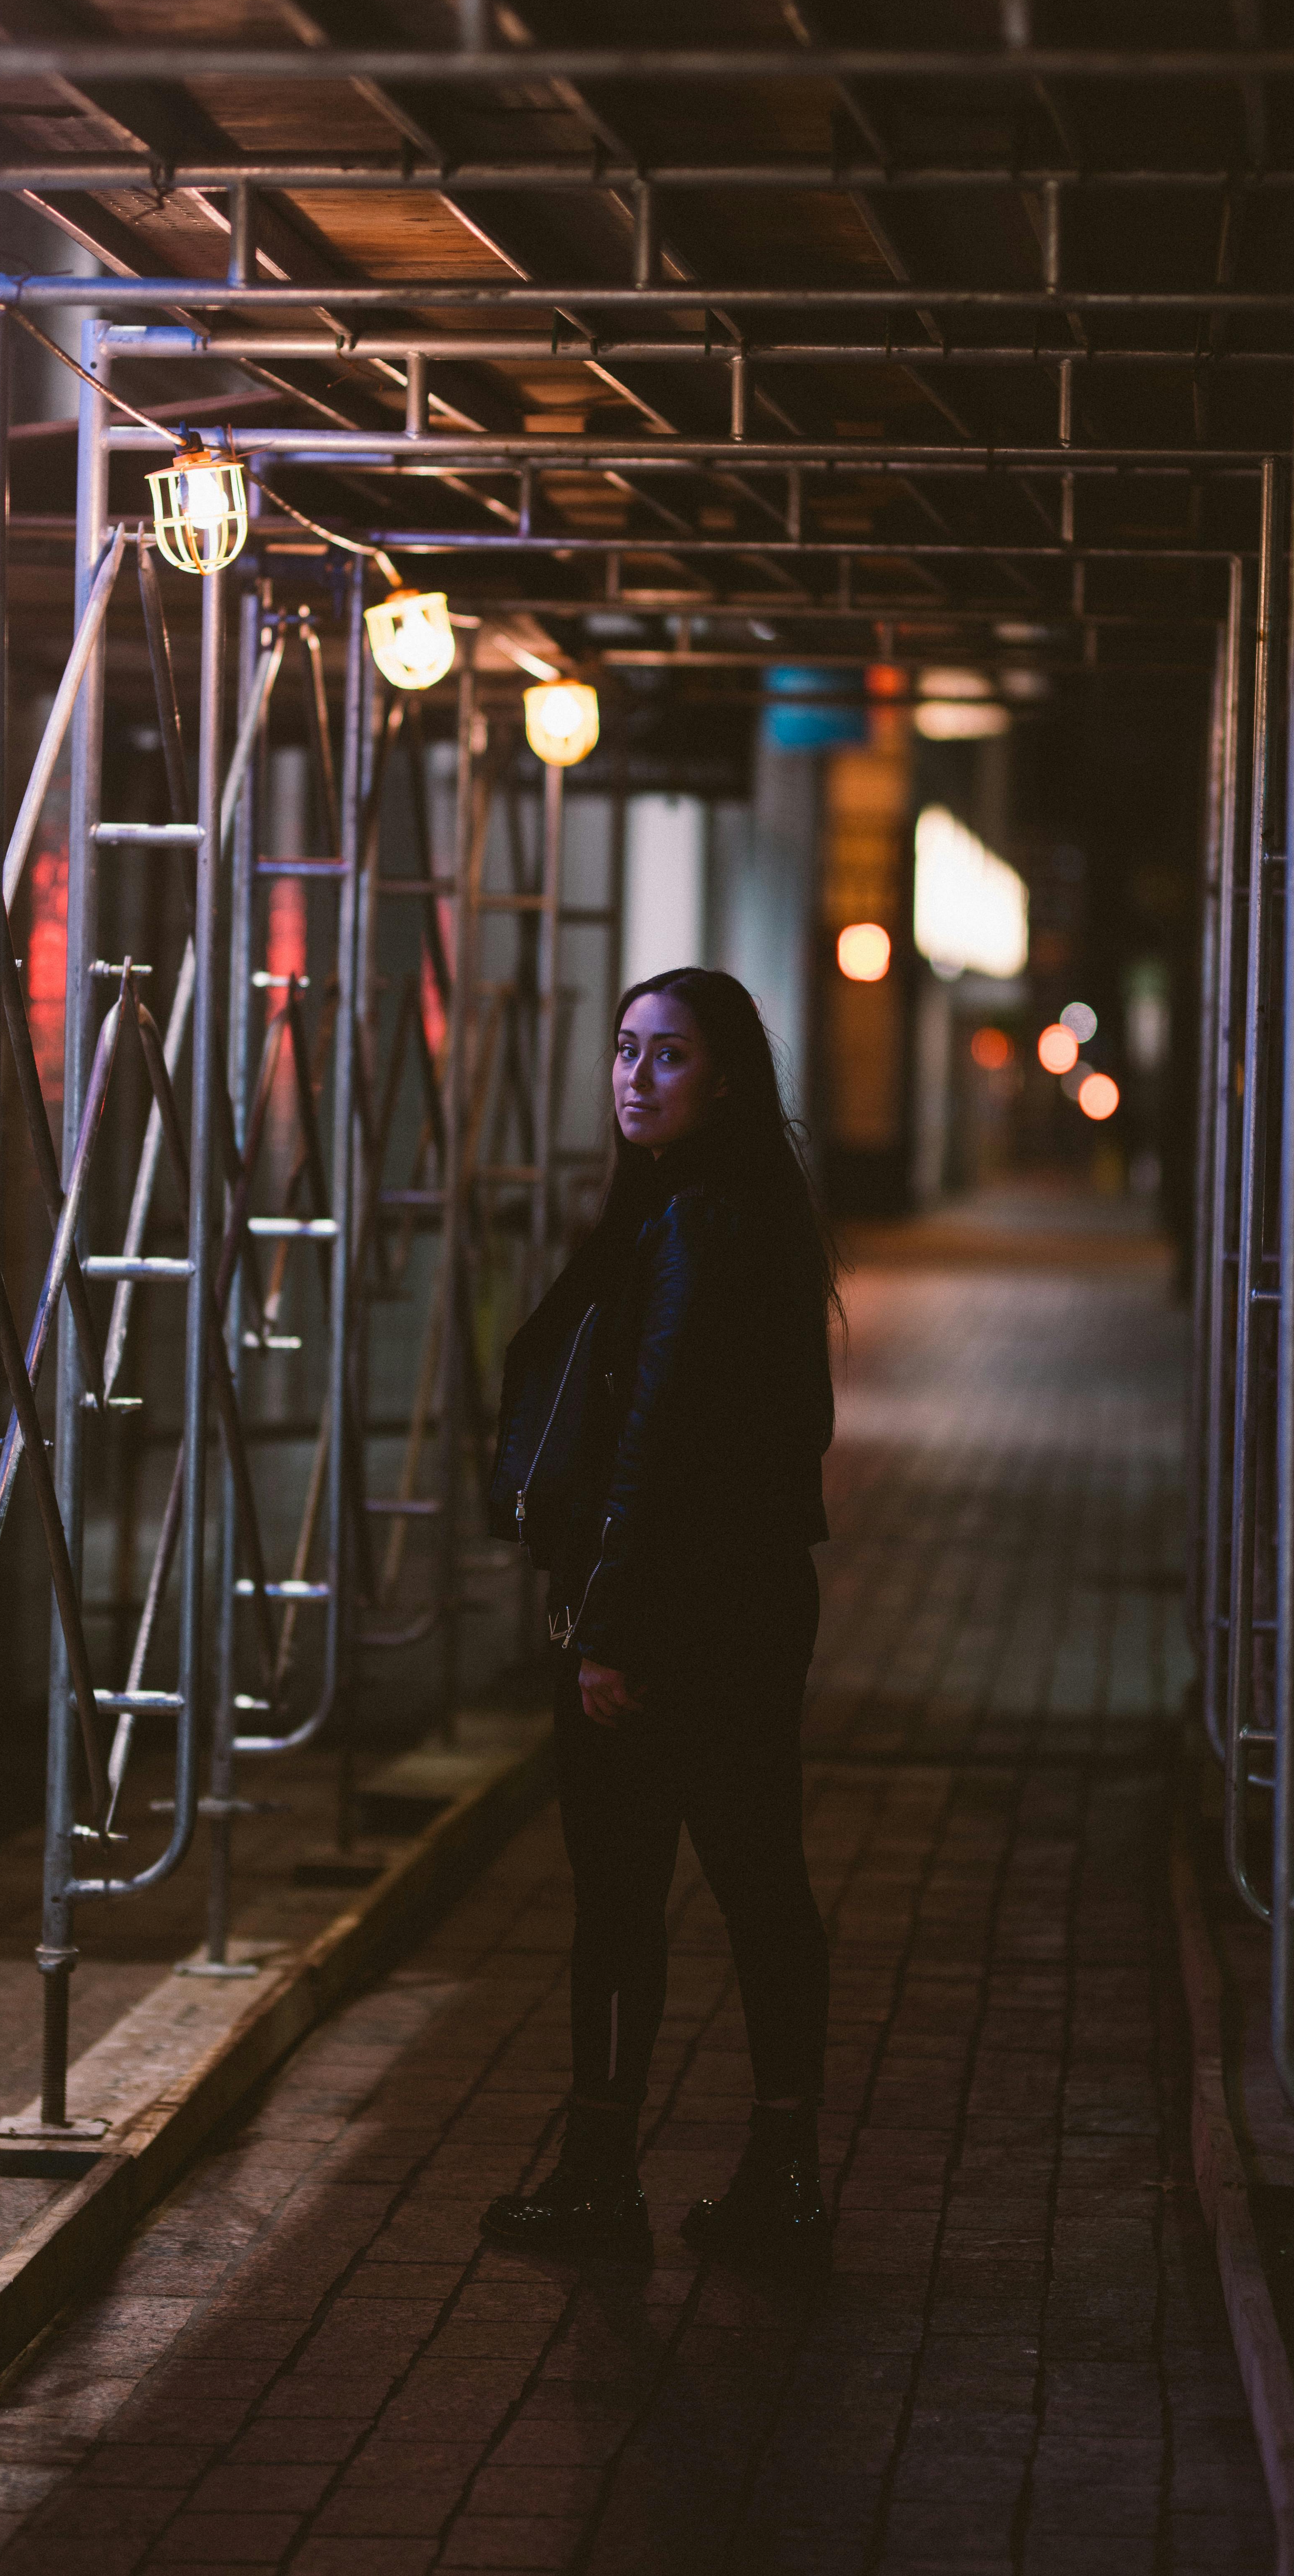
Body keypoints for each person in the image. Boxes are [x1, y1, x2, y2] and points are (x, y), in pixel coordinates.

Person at [481, 966, 838, 2279]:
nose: (634, 1076)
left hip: (665, 1610)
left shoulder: (692, 1223)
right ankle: (780, 2170)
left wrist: (610, 1627)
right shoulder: (747, 1213)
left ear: (728, 1078)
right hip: (742, 1600)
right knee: (757, 1887)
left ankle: (600, 2177)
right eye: (624, 1051)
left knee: (625, 1899)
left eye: (669, 1055)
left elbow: (658, 1437)